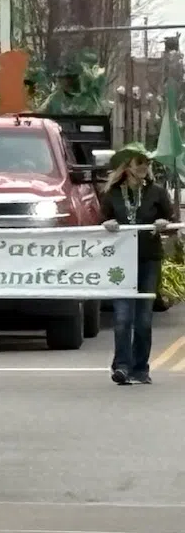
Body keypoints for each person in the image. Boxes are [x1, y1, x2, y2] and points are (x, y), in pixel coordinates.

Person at [100, 144, 176, 385]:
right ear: (128, 167)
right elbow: (101, 220)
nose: (144, 167)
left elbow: (172, 220)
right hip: (120, 263)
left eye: (147, 162)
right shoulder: (112, 194)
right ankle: (121, 366)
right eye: (139, 162)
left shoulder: (157, 192)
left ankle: (140, 368)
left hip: (149, 259)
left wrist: (164, 222)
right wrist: (108, 223)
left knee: (143, 319)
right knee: (123, 318)